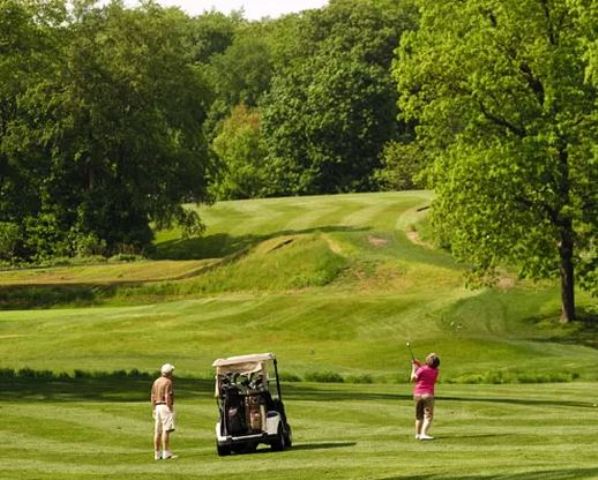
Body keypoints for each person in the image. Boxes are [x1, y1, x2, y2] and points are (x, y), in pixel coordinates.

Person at [410, 353, 440, 440]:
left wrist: (413, 367)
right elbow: (426, 368)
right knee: (428, 416)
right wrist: (417, 365)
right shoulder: (436, 370)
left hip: (417, 394)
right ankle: (423, 434)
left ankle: (418, 434)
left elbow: (413, 379)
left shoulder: (421, 369)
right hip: (428, 395)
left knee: (419, 416)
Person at [151, 363, 176, 460]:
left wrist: (153, 408)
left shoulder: (156, 381)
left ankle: (157, 454)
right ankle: (166, 453)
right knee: (166, 430)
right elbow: (167, 396)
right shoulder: (168, 382)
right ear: (169, 373)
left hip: (157, 406)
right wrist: (170, 409)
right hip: (164, 406)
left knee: (157, 431)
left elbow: (152, 396)